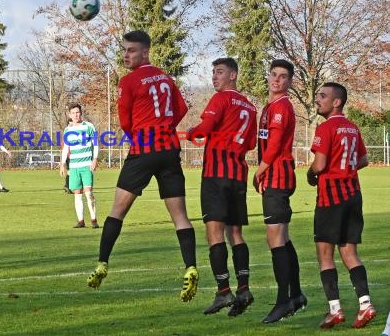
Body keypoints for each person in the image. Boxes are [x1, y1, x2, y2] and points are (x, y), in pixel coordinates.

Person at [86, 30, 198, 302]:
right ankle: (191, 267)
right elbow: (181, 109)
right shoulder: (166, 77)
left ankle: (102, 263)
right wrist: (165, 127)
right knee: (180, 215)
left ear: (145, 52)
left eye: (131, 50)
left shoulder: (129, 80)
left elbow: (125, 121)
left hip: (144, 149)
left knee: (117, 210)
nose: (126, 55)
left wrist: (141, 133)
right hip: (169, 148)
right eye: (124, 50)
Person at [187, 58, 257, 316]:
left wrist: (194, 131)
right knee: (235, 234)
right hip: (238, 175)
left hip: (216, 174)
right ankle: (245, 288)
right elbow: (250, 143)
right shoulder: (250, 106)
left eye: (219, 72)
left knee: (214, 233)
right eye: (213, 72)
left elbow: (205, 128)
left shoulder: (221, 99)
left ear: (233, 75)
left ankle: (223, 291)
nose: (214, 77)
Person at [307, 82, 376, 329]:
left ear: (337, 102)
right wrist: (346, 169)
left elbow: (320, 164)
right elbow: (365, 160)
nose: (318, 99)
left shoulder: (326, 128)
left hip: (330, 198)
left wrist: (310, 172)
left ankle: (335, 310)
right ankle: (365, 305)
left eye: (322, 96)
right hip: (353, 196)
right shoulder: (352, 128)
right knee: (350, 253)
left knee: (325, 255)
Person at [253, 59, 306, 323]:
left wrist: (260, 169)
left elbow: (273, 146)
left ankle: (283, 301)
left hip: (278, 176)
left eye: (283, 76)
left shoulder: (281, 107)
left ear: (289, 81)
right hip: (274, 176)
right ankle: (295, 295)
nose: (277, 80)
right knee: (281, 238)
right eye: (274, 74)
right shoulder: (269, 106)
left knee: (275, 238)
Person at [60, 104, 99, 228]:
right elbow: (66, 148)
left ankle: (93, 219)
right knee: (77, 194)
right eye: (73, 113)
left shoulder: (89, 126)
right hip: (74, 166)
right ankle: (81, 221)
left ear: (81, 113)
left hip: (86, 165)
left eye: (78, 112)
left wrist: (95, 159)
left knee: (89, 193)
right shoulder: (68, 130)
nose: (76, 115)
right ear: (70, 115)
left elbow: (95, 144)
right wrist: (62, 164)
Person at [63, 118, 73, 194]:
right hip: (69, 155)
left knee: (71, 172)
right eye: (70, 123)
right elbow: (65, 145)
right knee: (70, 171)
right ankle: (68, 186)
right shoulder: (67, 131)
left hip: (74, 155)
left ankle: (68, 186)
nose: (71, 125)